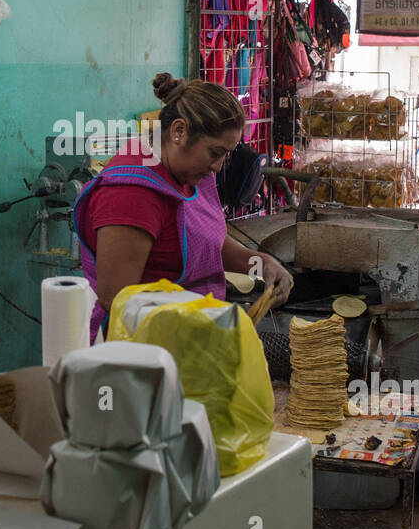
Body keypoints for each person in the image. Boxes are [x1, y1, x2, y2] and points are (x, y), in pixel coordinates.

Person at [73, 72, 294, 340]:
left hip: (188, 340)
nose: (217, 166)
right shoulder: (131, 195)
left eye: (226, 154)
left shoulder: (186, 171)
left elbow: (204, 243)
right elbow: (118, 300)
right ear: (179, 131)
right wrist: (208, 322)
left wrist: (261, 265)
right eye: (215, 153)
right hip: (142, 351)